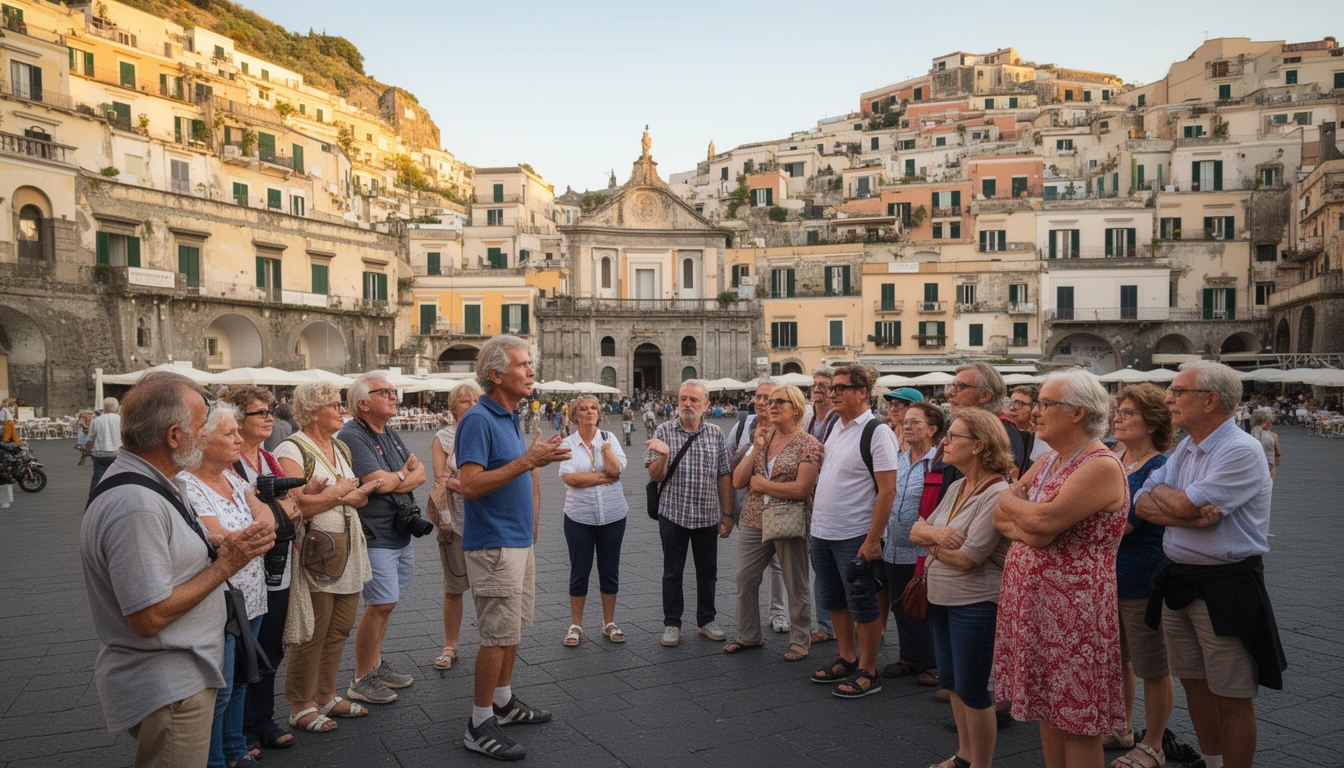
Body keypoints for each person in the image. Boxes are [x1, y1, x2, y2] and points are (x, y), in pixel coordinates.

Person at [81, 372, 275, 768]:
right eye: (202, 427)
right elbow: (148, 615)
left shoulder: (159, 485)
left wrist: (223, 548)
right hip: (170, 683)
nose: (205, 436)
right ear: (173, 436)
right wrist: (227, 565)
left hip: (181, 674)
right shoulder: (136, 503)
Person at [1135, 362, 1284, 768]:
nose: (1169, 398)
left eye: (1177, 391)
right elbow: (1142, 502)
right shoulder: (1186, 446)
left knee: (1232, 695)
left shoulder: (1240, 449)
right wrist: (1185, 510)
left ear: (1210, 400)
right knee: (1195, 684)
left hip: (1226, 585)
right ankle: (1211, 761)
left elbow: (1167, 499)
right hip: (1180, 580)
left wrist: (1173, 499)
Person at [993, 369, 1129, 767]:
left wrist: (1027, 514)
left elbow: (1042, 523)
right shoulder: (1052, 458)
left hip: (1075, 617)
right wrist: (1028, 518)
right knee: (1047, 712)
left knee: (1077, 721)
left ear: (1077, 413)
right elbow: (1002, 511)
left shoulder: (1100, 465)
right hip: (1039, 609)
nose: (1035, 411)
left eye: (1045, 404)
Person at [457, 335, 569, 760]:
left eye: (529, 364)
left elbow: (516, 474)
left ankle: (502, 702)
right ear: (496, 374)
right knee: (496, 635)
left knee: (514, 629)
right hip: (494, 545)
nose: (531, 371)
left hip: (517, 540)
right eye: (522, 365)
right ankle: (479, 721)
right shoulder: (478, 419)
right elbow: (469, 485)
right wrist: (528, 460)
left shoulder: (509, 416)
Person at [911, 409, 1013, 768]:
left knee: (973, 688)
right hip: (942, 596)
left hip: (976, 601)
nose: (945, 442)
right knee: (953, 682)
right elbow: (916, 529)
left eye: (954, 437)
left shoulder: (998, 492)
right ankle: (964, 756)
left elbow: (970, 557)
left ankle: (980, 764)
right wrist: (936, 537)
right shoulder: (956, 485)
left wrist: (928, 540)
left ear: (979, 446)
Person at [275, 383, 377, 735]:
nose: (342, 410)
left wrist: (337, 494)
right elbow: (298, 504)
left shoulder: (339, 446)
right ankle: (300, 705)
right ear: (313, 411)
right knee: (312, 630)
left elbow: (362, 497)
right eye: (334, 405)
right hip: (316, 550)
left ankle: (327, 694)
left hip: (347, 547)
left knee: (340, 627)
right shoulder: (291, 448)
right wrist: (341, 491)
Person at [180, 403, 274, 768]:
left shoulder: (233, 477)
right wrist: (253, 531)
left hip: (250, 592)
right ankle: (215, 759)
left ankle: (234, 749)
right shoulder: (188, 483)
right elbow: (216, 534)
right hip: (219, 598)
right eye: (230, 433)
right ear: (203, 441)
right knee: (220, 686)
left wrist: (256, 529)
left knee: (239, 681)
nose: (239, 439)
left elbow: (263, 514)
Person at [808, 365, 899, 698]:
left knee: (863, 604)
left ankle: (868, 670)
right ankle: (847, 657)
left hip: (855, 533)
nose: (832, 394)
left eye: (840, 388)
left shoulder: (877, 432)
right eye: (831, 389)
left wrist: (873, 539)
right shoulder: (836, 427)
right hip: (823, 532)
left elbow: (888, 490)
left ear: (863, 392)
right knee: (834, 600)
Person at [338, 373, 426, 705]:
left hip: (398, 530)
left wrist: (399, 477)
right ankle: (361, 678)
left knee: (387, 605)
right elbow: (378, 482)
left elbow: (420, 474)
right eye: (384, 392)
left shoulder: (387, 431)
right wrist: (403, 476)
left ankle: (374, 664)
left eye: (393, 390)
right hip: (375, 533)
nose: (393, 396)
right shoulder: (352, 435)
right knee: (379, 605)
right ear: (363, 403)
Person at [222, 387, 297, 754]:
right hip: (246, 568)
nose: (270, 417)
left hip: (278, 563)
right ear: (237, 420)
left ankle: (262, 718)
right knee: (244, 649)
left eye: (270, 410)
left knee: (270, 644)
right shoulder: (229, 463)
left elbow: (290, 505)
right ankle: (243, 728)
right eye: (259, 413)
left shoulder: (268, 457)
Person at [1107, 384, 1176, 768]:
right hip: (1108, 574)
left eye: (1128, 412)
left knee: (1151, 663)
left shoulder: (1158, 466)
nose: (1118, 416)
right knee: (1118, 658)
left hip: (1140, 575)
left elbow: (1126, 521)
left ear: (1151, 421)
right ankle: (1121, 726)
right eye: (1119, 410)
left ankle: (1153, 743)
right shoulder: (1115, 456)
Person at [727, 383, 820, 661]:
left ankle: (800, 640)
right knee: (745, 577)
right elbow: (739, 481)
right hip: (754, 517)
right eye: (771, 402)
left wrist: (764, 485)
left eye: (781, 402)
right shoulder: (762, 439)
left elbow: (801, 489)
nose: (773, 406)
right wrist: (755, 449)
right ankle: (748, 635)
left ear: (797, 409)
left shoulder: (809, 444)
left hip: (788, 519)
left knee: (795, 582)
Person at [646, 380, 733, 647]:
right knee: (672, 572)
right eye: (683, 399)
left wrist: (727, 513)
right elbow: (656, 475)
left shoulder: (716, 433)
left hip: (707, 514)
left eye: (694, 400)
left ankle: (706, 620)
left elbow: (723, 474)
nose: (687, 404)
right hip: (673, 513)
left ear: (705, 405)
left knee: (708, 572)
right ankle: (672, 624)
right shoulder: (663, 430)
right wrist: (662, 455)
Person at [558, 396, 629, 646]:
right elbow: (570, 479)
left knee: (610, 570)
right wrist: (603, 477)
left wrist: (606, 451)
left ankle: (608, 622)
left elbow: (616, 471)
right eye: (583, 409)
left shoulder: (610, 439)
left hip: (613, 514)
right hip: (579, 516)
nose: (589, 412)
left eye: (593, 408)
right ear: (575, 415)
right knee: (580, 571)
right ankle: (576, 624)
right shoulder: (567, 443)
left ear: (599, 413)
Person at [882, 402, 943, 684]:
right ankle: (909, 657)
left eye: (915, 422)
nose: (907, 426)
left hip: (921, 549)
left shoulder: (939, 463)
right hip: (893, 545)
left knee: (924, 604)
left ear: (933, 429)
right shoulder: (898, 458)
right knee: (900, 604)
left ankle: (934, 663)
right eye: (905, 422)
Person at [728, 379, 790, 636]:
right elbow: (728, 464)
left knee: (778, 564)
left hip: (781, 509)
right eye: (759, 396)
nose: (762, 401)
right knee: (747, 572)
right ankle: (748, 630)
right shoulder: (743, 425)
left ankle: (778, 613)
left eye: (768, 397)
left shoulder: (787, 427)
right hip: (748, 509)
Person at [430, 382, 481, 671]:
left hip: (486, 520)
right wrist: (470, 487)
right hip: (456, 519)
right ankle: (451, 644)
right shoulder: (444, 437)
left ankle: (491, 640)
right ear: (453, 407)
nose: (471, 405)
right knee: (454, 587)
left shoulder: (486, 431)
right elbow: (439, 478)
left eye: (475, 400)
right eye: (464, 401)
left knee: (487, 586)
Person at [804, 367, 840, 644]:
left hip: (831, 498)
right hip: (812, 500)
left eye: (824, 385)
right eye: (816, 384)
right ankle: (826, 624)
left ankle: (831, 625)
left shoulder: (839, 421)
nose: (818, 389)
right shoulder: (808, 419)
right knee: (821, 566)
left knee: (833, 567)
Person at [86, 397, 123, 494]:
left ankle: (93, 499)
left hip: (100, 453)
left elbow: (90, 440)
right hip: (117, 453)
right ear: (117, 408)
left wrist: (87, 448)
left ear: (104, 408)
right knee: (119, 479)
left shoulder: (97, 420)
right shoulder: (121, 420)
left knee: (97, 479)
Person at [1250, 410, 1276, 483]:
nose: (1270, 425)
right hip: (1269, 460)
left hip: (1255, 460)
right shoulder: (1272, 436)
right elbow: (1276, 455)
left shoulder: (1252, 434)